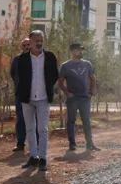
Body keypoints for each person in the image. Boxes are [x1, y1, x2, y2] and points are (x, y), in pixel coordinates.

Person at [14, 30, 59, 173]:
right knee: (30, 129)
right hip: (27, 98)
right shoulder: (22, 59)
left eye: (41, 41)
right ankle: (33, 156)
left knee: (43, 129)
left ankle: (43, 158)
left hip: (43, 98)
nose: (39, 43)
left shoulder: (50, 57)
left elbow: (55, 75)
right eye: (36, 41)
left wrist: (46, 87)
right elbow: (17, 76)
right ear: (31, 42)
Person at [59, 42, 99, 152]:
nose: (80, 52)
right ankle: (72, 144)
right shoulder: (66, 66)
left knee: (87, 121)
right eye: (78, 50)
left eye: (81, 50)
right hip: (72, 98)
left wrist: (91, 92)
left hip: (85, 98)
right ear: (72, 51)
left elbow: (93, 79)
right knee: (71, 121)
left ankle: (90, 144)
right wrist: (67, 94)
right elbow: (61, 82)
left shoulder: (87, 64)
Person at [9, 37, 32, 152]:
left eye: (28, 44)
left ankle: (36, 145)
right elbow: (13, 74)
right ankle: (20, 144)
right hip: (20, 94)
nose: (27, 47)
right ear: (21, 47)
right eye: (24, 45)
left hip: (35, 94)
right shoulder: (17, 59)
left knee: (35, 120)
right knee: (21, 119)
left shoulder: (38, 58)